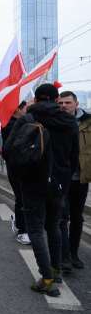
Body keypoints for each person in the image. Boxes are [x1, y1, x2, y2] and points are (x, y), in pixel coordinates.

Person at [5, 84, 78, 297]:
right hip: (59, 184)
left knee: (35, 229)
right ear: (56, 100)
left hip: (32, 182)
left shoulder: (27, 119)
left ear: (35, 100)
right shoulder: (69, 122)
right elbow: (73, 157)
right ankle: (55, 271)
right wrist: (63, 179)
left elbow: (8, 150)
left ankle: (46, 279)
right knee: (53, 226)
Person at [58, 91, 89, 270]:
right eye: (60, 103)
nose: (63, 106)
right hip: (61, 178)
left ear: (76, 104)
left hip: (81, 178)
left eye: (67, 103)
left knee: (77, 218)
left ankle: (74, 253)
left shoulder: (87, 122)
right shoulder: (54, 122)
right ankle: (65, 256)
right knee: (62, 217)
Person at [2, 101, 30, 245]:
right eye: (26, 108)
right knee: (21, 198)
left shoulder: (24, 123)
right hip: (15, 167)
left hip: (28, 167)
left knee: (26, 198)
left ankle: (21, 223)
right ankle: (22, 231)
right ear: (18, 109)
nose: (28, 111)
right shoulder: (10, 125)